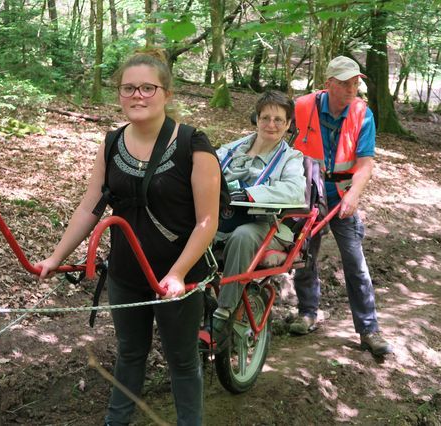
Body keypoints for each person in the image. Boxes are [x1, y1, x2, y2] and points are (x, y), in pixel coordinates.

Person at [35, 50, 221, 425]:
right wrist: (56, 257)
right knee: (129, 353)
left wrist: (179, 274)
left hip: (177, 278)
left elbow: (207, 222)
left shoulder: (193, 145)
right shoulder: (111, 143)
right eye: (128, 88)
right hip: (125, 272)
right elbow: (91, 206)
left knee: (182, 360)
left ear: (167, 94)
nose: (137, 96)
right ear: (119, 94)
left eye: (147, 88)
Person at [290, 55, 393, 356]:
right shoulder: (302, 107)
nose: (352, 89)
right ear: (329, 84)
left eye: (355, 83)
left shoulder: (363, 114)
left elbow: (365, 163)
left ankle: (369, 329)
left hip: (342, 194)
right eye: (345, 83)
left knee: (355, 261)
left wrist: (353, 195)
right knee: (304, 253)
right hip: (307, 192)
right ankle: (307, 312)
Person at [211, 90, 306, 346]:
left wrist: (250, 193)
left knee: (243, 235)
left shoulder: (291, 158)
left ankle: (224, 311)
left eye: (278, 120)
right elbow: (204, 169)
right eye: (265, 118)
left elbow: (295, 191)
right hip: (222, 218)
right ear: (256, 118)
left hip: (265, 227)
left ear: (288, 125)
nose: (271, 125)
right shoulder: (233, 149)